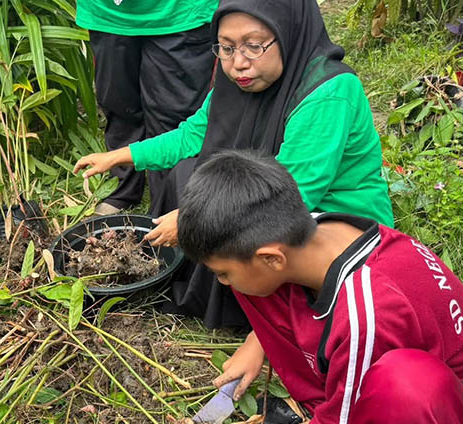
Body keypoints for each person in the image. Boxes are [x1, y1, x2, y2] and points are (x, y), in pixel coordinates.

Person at [158, 150, 463, 424]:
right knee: (251, 281)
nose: (222, 282)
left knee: (401, 387)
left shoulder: (367, 310)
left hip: (460, 416)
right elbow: (269, 275)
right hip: (395, 356)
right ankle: (318, 401)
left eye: (221, 273)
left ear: (271, 258)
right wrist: (255, 344)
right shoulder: (310, 230)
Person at [74, 0, 394, 329]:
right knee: (189, 175)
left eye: (254, 46)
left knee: (249, 230)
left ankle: (277, 317)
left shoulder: (329, 92)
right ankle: (227, 291)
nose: (238, 63)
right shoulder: (240, 78)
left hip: (332, 219)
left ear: (288, 34)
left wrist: (189, 221)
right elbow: (192, 136)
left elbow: (293, 196)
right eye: (226, 48)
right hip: (273, 197)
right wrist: (121, 155)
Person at [75, 0, 218, 215]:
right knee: (118, 105)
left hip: (180, 11)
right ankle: (123, 189)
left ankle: (168, 203)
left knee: (174, 116)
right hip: (107, 13)